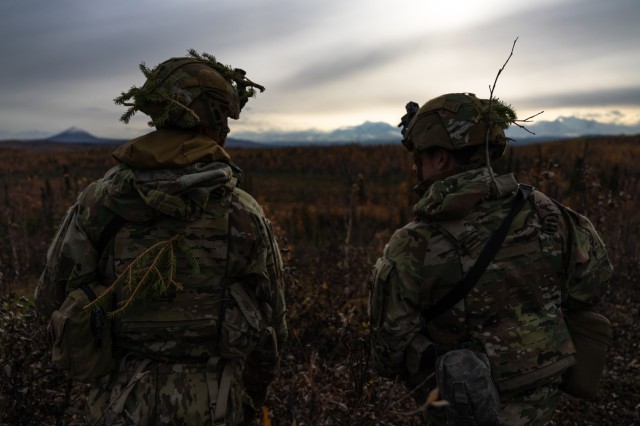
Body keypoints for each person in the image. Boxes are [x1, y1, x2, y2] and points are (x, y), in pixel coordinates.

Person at [34, 50, 287, 425]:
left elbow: (49, 302)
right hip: (215, 405)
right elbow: (272, 328)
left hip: (117, 402)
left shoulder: (100, 202)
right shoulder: (243, 211)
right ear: (209, 120)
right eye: (224, 119)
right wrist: (255, 396)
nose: (228, 131)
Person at [369, 93, 612, 425]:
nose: (416, 166)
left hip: (463, 411)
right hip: (542, 401)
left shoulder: (413, 243)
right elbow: (592, 287)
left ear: (440, 158)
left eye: (420, 156)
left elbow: (387, 353)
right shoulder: (546, 210)